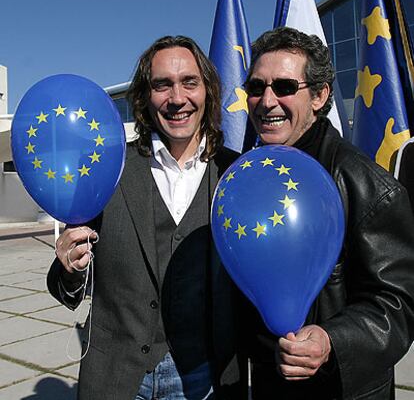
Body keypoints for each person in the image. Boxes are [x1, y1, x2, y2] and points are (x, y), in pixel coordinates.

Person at [47, 36, 242, 400]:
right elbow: (64, 286)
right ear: (145, 95)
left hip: (204, 378)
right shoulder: (106, 170)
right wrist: (70, 268)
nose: (177, 98)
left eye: (189, 82)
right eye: (162, 84)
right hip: (116, 377)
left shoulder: (238, 172)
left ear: (208, 91)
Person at [242, 26, 414, 399]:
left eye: (285, 87)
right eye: (256, 88)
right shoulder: (247, 176)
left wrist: (331, 339)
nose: (267, 101)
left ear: (319, 96)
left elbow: (397, 304)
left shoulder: (366, 184)